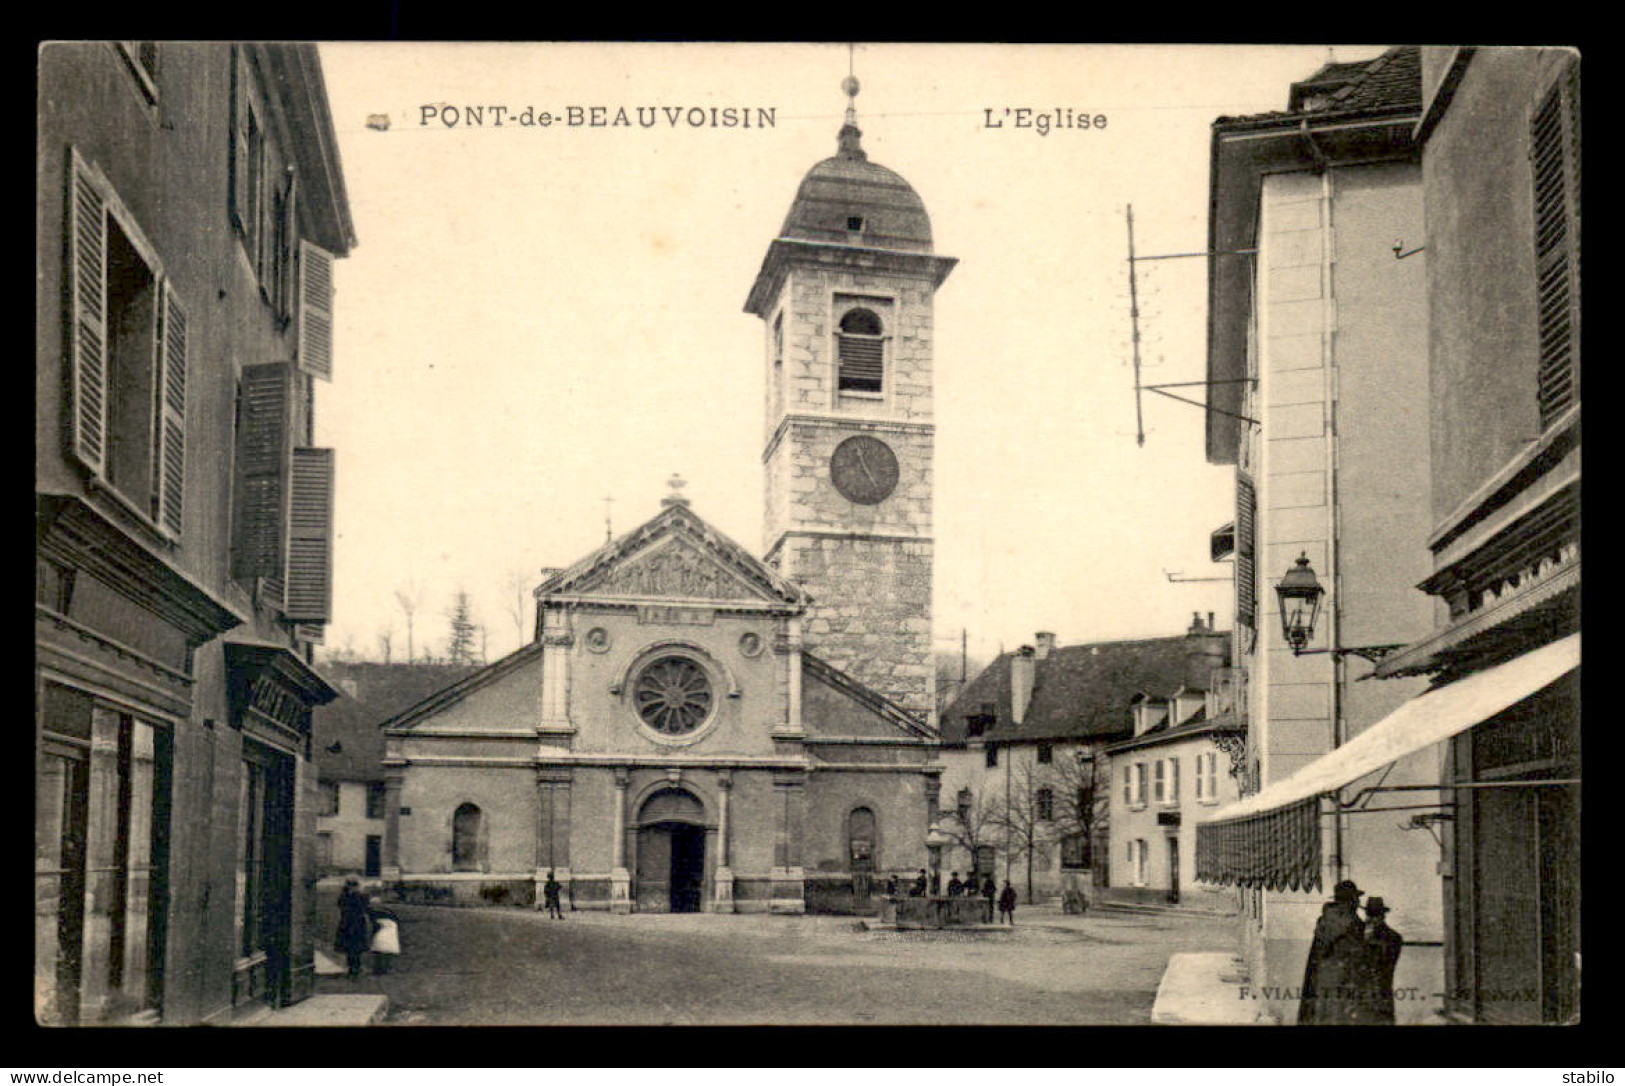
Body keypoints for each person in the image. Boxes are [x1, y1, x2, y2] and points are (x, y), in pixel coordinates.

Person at [1299, 879, 1366, 1025]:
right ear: (1351, 901)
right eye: (1356, 898)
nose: (1358, 902)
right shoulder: (1355, 924)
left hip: (1322, 979)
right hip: (1345, 982)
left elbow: (1316, 956)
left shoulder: (1324, 921)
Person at [1353, 897, 1404, 1025]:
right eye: (1369, 914)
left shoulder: (1393, 938)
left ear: (1382, 917)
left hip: (1381, 998)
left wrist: (1368, 940)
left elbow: (1384, 966)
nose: (1370, 918)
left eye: (1374, 915)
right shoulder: (1358, 934)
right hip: (1360, 999)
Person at [334, 876, 373, 979]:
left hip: (347, 923)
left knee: (350, 946)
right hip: (357, 923)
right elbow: (366, 907)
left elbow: (340, 905)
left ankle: (352, 967)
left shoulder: (344, 896)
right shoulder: (362, 896)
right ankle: (356, 967)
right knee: (356, 946)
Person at [369, 904, 400, 974]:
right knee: (387, 949)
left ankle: (379, 967)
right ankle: (386, 967)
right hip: (390, 931)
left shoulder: (375, 917)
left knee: (379, 949)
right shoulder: (390, 916)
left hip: (382, 931)